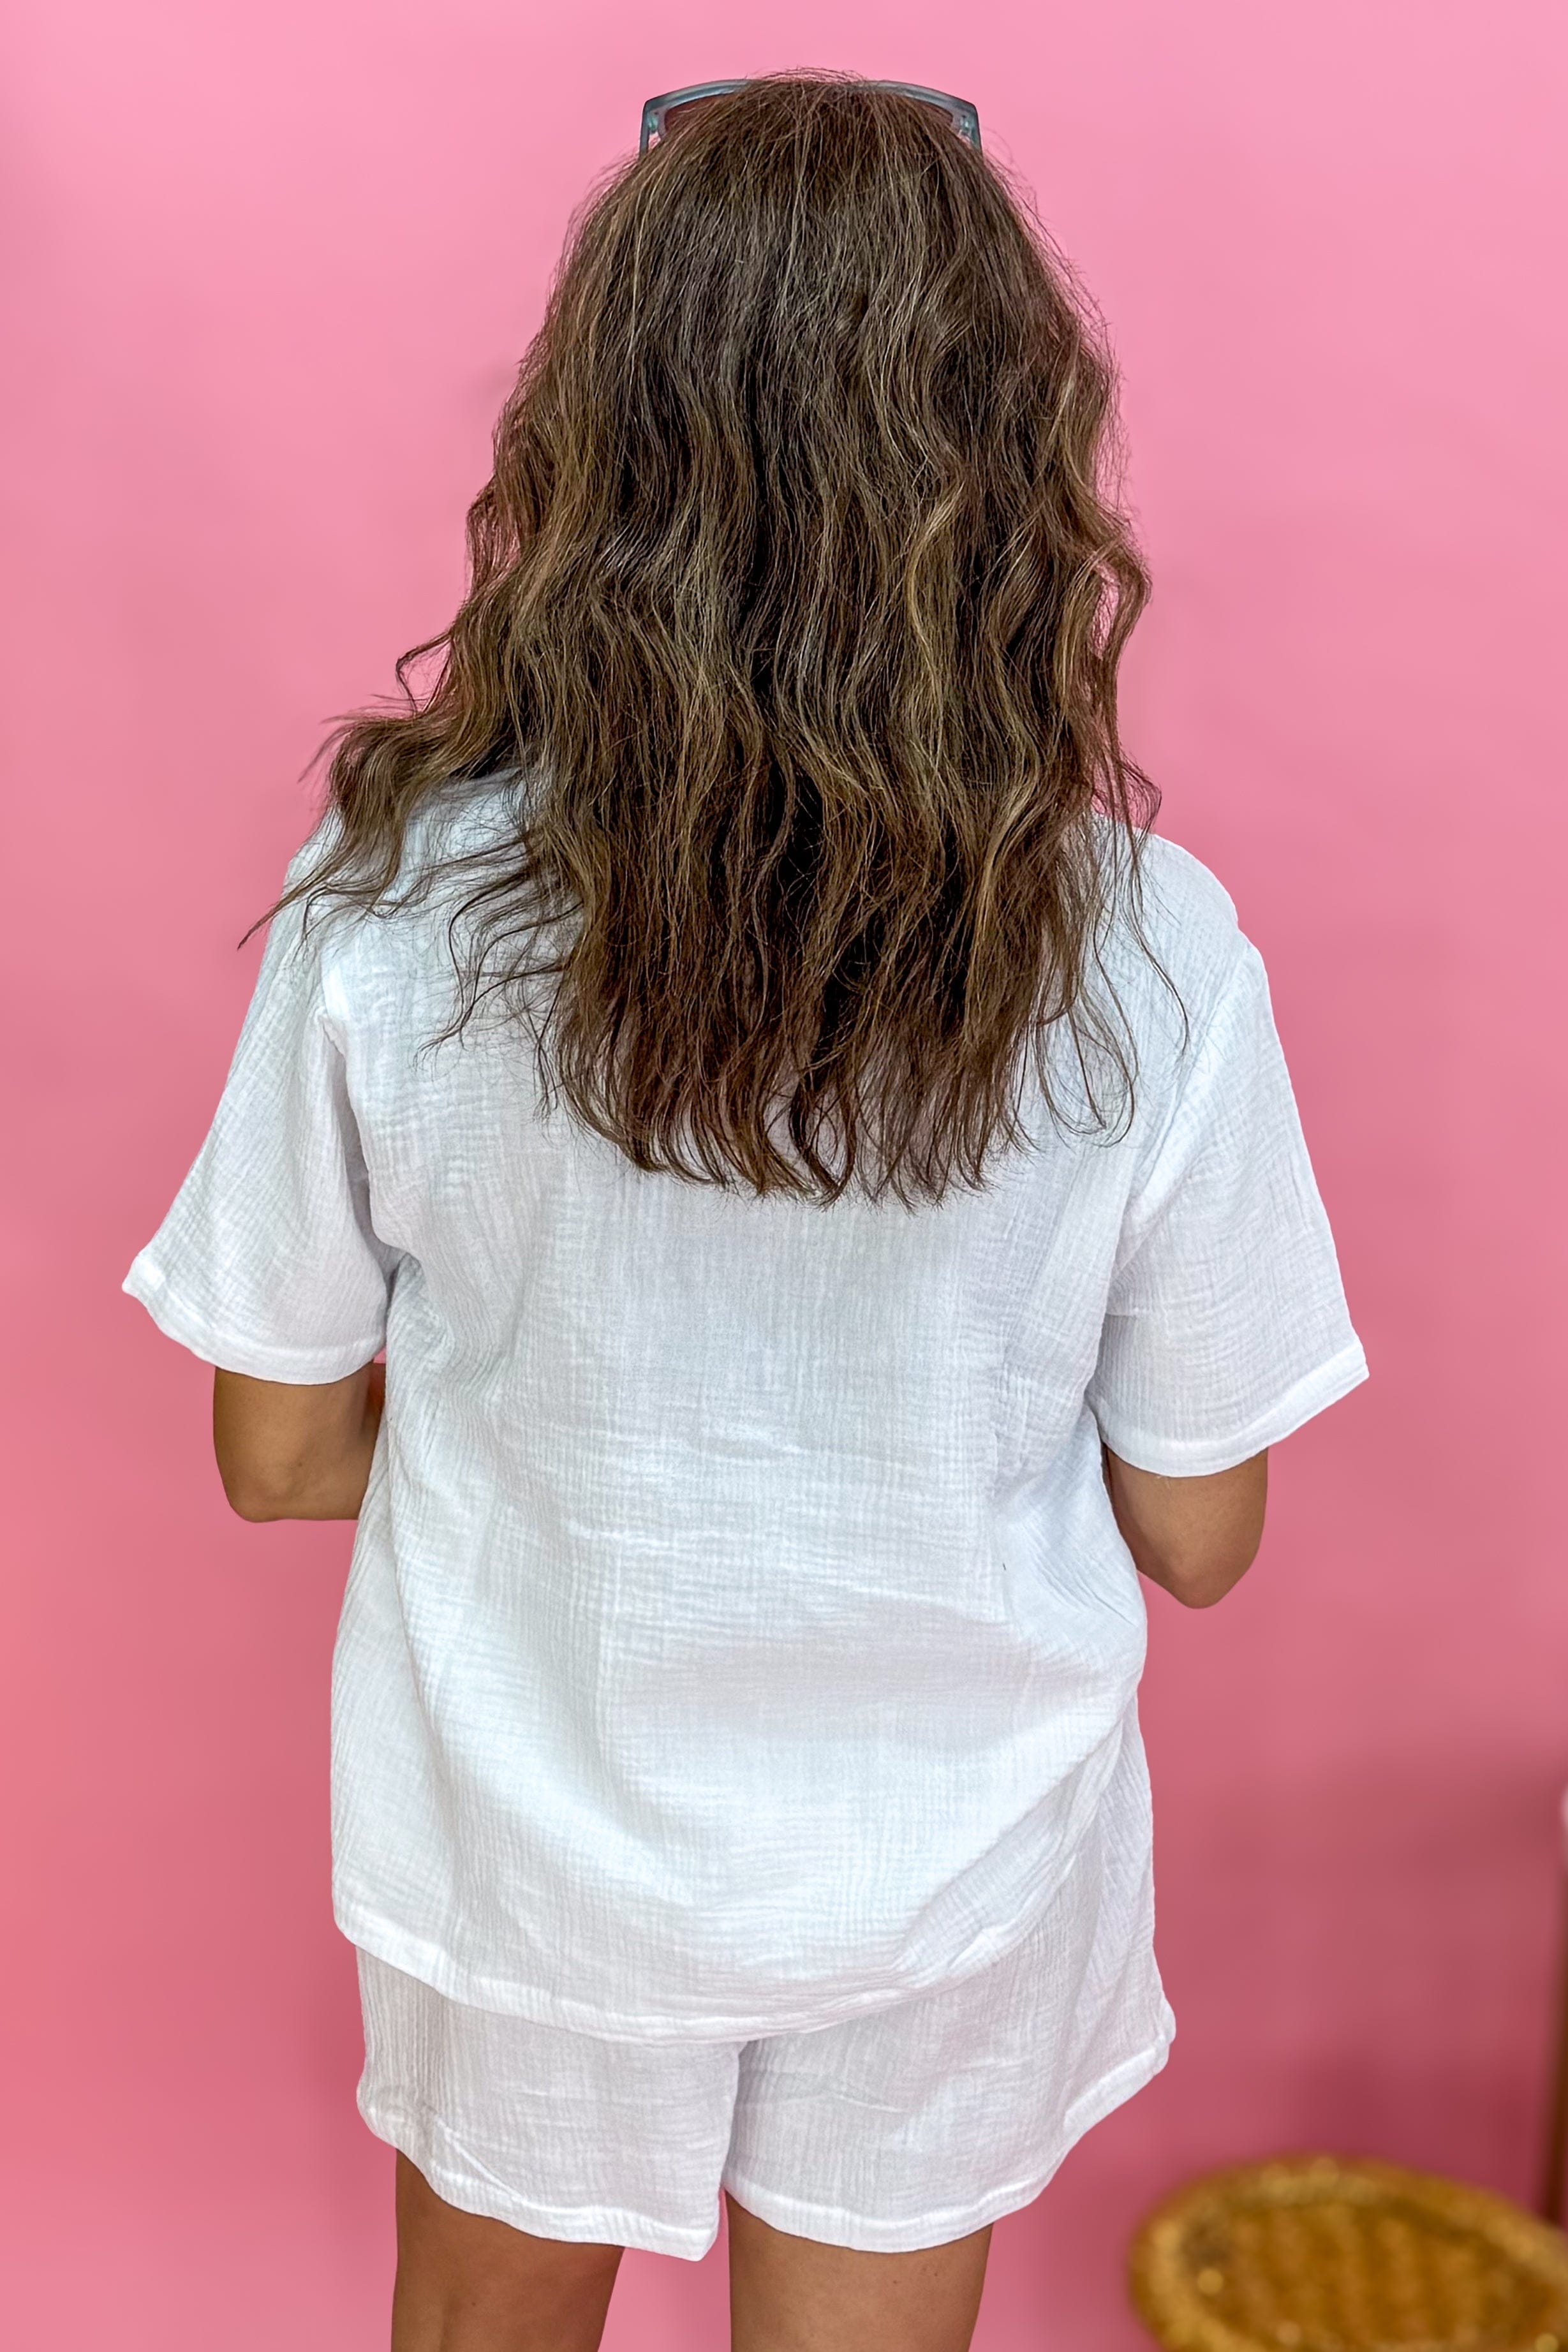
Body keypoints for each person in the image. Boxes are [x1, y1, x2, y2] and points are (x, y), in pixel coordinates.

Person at [123, 71, 1367, 2352]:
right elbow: (1200, 1532)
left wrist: (579, 1447)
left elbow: (279, 1452)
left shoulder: (388, 913)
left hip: (524, 1829)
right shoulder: (1152, 949)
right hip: (957, 1867)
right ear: (1007, 464)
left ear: (602, 436)